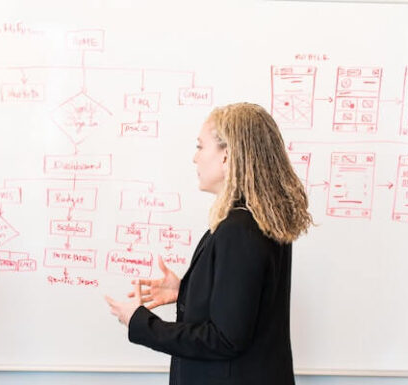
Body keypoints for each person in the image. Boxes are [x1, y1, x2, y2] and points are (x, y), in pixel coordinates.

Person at [105, 102, 312, 385]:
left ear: (226, 156)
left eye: (201, 147)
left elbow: (225, 339)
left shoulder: (240, 230)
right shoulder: (261, 221)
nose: (195, 158)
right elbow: (245, 305)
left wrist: (141, 323)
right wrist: (187, 290)